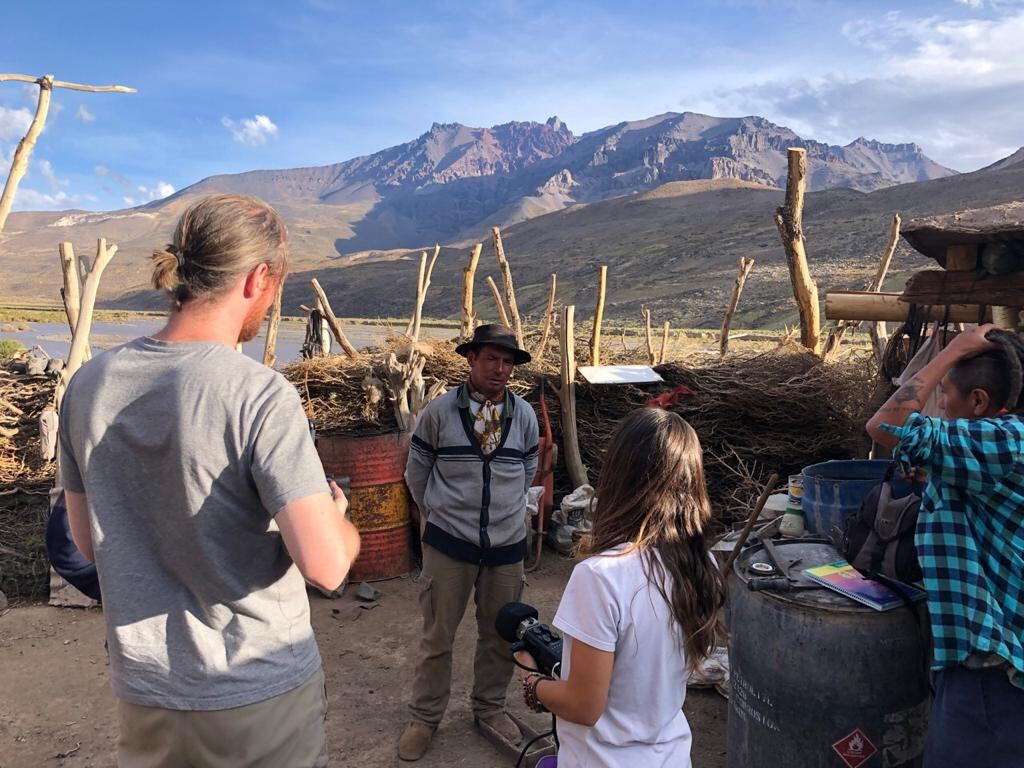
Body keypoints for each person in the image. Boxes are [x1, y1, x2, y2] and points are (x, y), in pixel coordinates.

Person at [60, 194, 361, 768]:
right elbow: (325, 567)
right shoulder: (258, 393)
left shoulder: (89, 384)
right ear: (259, 279)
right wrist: (340, 525)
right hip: (255, 690)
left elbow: (84, 540)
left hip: (147, 692)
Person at [516, 406, 726, 767]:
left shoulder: (600, 577)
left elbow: (583, 707)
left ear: (619, 474)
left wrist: (533, 684)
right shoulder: (700, 563)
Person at [866, 323, 1024, 768]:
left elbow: (884, 426)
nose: (939, 404)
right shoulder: (993, 446)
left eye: (946, 394)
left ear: (977, 402)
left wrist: (951, 350)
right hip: (985, 665)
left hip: (992, 666)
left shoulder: (1004, 441)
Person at [399, 324, 539, 761]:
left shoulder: (525, 416)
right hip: (449, 546)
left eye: (508, 361)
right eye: (492, 359)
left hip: (506, 547)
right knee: (438, 636)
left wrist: (503, 516)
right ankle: (425, 718)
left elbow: (526, 473)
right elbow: (416, 476)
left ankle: (489, 708)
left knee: (499, 636)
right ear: (472, 360)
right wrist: (441, 519)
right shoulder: (439, 413)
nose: (500, 369)